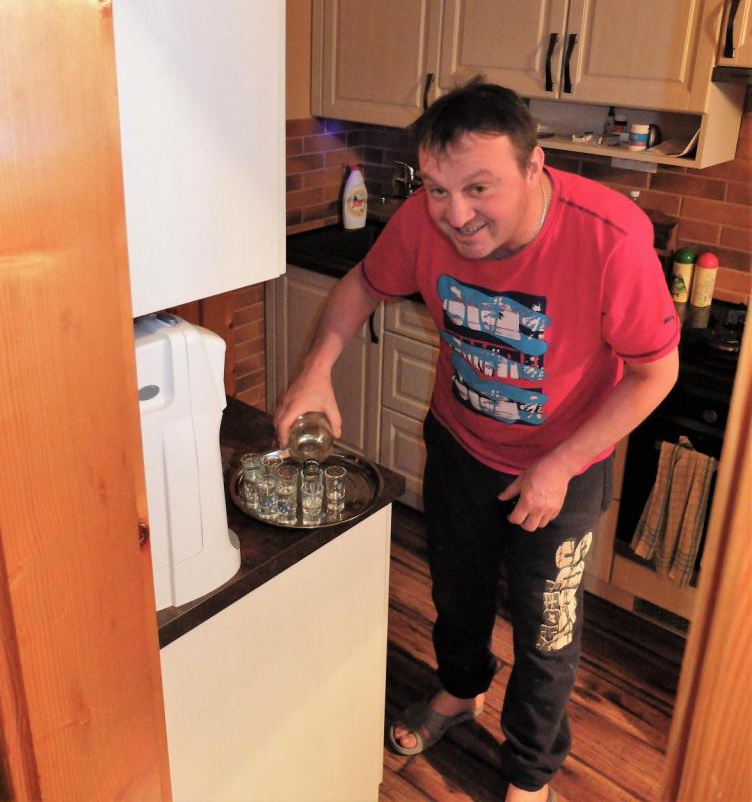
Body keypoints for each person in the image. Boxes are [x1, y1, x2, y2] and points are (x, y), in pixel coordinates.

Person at [274, 81, 679, 802]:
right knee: (456, 595)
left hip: (563, 468)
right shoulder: (423, 223)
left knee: (546, 631)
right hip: (461, 445)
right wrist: (315, 372)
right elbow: (362, 285)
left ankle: (530, 773)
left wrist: (561, 463)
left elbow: (656, 372)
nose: (455, 215)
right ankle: (461, 692)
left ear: (534, 167)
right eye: (436, 189)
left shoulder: (609, 237)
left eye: (479, 188)